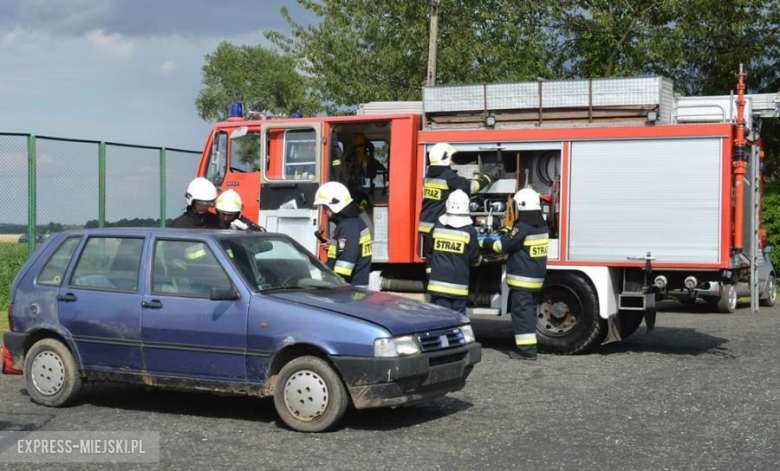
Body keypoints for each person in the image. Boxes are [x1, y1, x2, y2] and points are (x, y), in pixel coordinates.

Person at [487, 188, 548, 361]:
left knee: (521, 315)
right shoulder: (541, 226)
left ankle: (526, 352)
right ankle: (531, 348)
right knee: (529, 314)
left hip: (522, 280)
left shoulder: (523, 227)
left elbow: (504, 247)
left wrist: (489, 242)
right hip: (536, 279)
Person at [419, 143, 498, 268]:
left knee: (433, 260)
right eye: (450, 157)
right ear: (444, 159)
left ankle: (431, 280)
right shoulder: (448, 176)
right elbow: (471, 187)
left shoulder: (428, 176)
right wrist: (489, 177)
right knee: (445, 261)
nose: (451, 161)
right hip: (437, 226)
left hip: (425, 225)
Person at [425, 190, 481, 314]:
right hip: (459, 288)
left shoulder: (437, 227)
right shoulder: (469, 231)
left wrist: (430, 273)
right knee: (458, 322)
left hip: (437, 286)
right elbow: (474, 260)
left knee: (441, 322)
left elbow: (428, 252)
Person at [313, 181, 372, 287]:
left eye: (325, 207)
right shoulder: (352, 222)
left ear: (335, 205)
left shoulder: (348, 225)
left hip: (350, 287)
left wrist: (334, 282)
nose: (323, 211)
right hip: (352, 285)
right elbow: (348, 247)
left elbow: (347, 259)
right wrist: (333, 246)